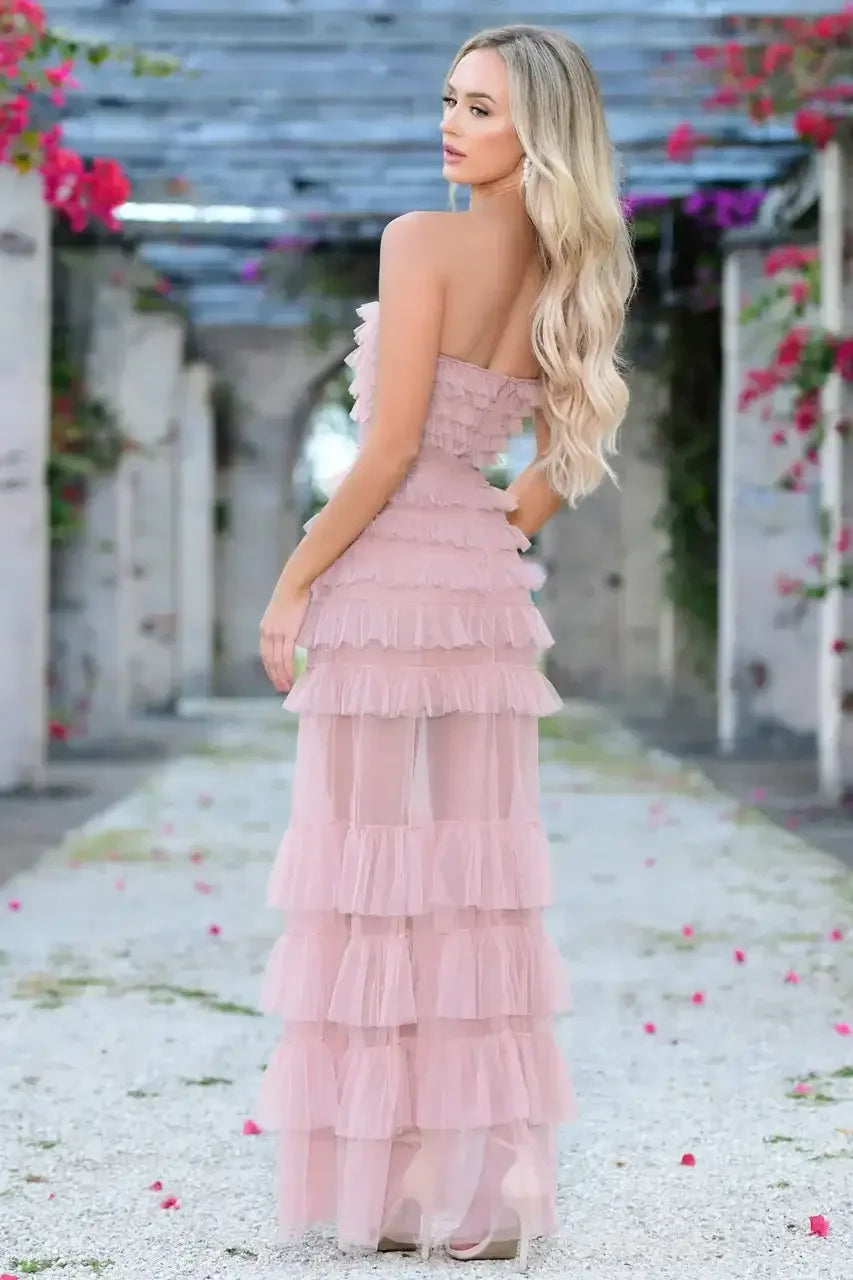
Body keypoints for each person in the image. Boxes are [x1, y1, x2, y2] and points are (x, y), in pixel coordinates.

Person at [255, 22, 636, 1271]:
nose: (450, 123)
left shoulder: (420, 239)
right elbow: (543, 476)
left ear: (537, 130)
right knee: (477, 880)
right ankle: (475, 1194)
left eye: (478, 108)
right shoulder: (564, 270)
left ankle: (395, 1184)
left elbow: (387, 448)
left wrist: (292, 584)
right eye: (448, 100)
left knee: (369, 878)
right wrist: (485, 533)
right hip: (478, 588)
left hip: (380, 588)